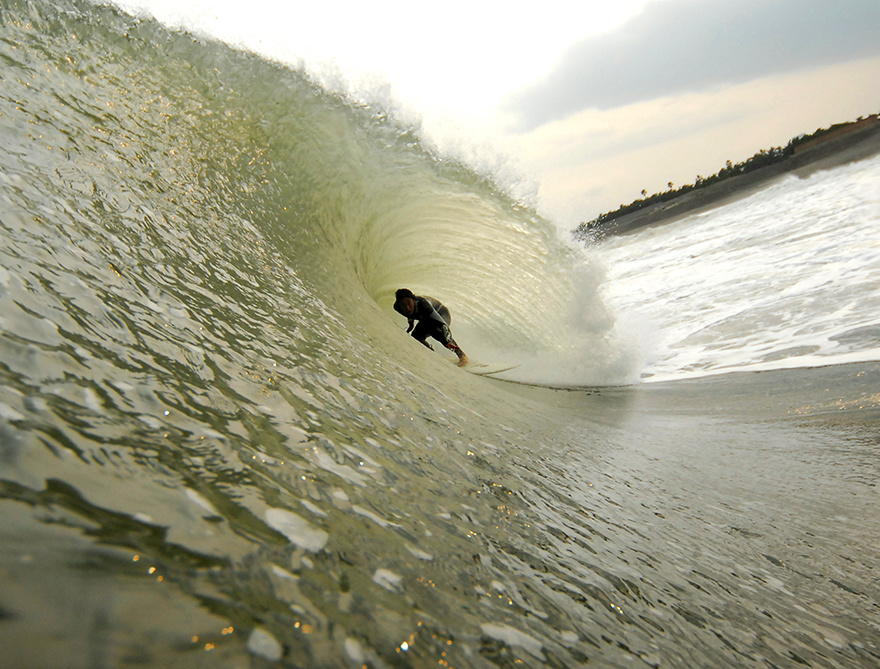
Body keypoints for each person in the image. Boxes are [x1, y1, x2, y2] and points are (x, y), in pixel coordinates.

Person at [393, 288, 469, 366]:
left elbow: (442, 325)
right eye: (403, 305)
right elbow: (410, 314)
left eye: (409, 303)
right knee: (416, 336)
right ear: (399, 304)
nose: (407, 308)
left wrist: (446, 340)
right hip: (426, 318)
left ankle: (462, 356)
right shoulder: (397, 308)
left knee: (435, 331)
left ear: (413, 299)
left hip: (441, 314)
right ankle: (432, 354)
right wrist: (411, 323)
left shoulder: (424, 306)